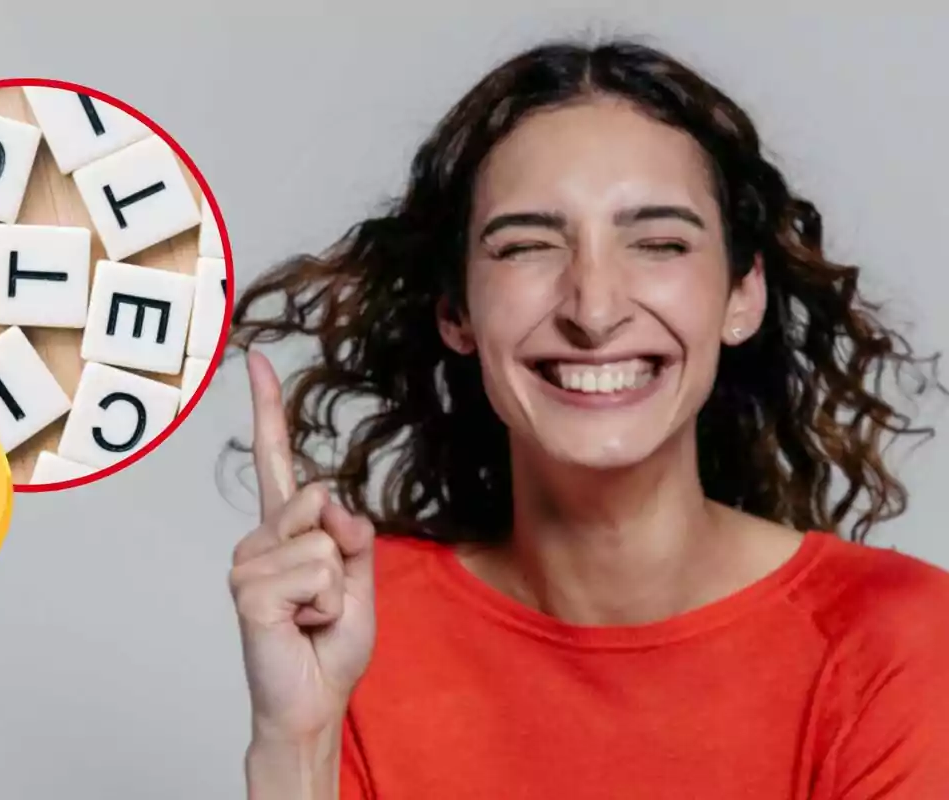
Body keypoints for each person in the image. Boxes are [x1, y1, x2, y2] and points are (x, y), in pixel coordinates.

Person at [224, 38, 949, 799]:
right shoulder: (357, 626)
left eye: (660, 243)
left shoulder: (898, 635)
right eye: (527, 247)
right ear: (456, 312)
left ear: (741, 296)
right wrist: (296, 745)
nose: (594, 309)